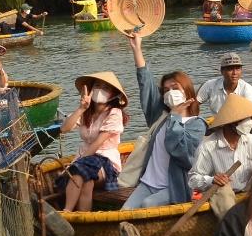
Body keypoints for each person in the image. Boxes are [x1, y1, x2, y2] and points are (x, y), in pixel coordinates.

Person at [119, 34, 207, 210]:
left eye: (175, 88)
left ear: (187, 91)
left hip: (173, 187)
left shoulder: (197, 124)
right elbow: (146, 85)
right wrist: (137, 49)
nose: (170, 92)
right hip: (147, 183)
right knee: (124, 214)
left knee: (148, 205)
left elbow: (181, 153)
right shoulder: (160, 117)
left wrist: (176, 116)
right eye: (166, 90)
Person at [57, 72, 128, 212]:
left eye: (105, 88)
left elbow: (97, 143)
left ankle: (66, 211)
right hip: (85, 159)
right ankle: (82, 216)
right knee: (87, 180)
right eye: (97, 86)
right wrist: (81, 108)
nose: (100, 90)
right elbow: (64, 129)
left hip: (106, 162)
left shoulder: (114, 113)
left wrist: (74, 164)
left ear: (113, 94)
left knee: (80, 169)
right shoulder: (86, 112)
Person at [190, 93, 252, 197]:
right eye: (244, 119)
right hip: (221, 197)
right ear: (230, 123)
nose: (249, 122)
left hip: (249, 195)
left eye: (251, 118)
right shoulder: (208, 146)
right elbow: (193, 180)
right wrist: (212, 180)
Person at [198, 51, 252, 115]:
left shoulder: (248, 89)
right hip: (219, 123)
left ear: (241, 70)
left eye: (238, 69)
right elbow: (195, 102)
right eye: (230, 69)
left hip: (244, 122)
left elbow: (251, 115)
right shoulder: (210, 85)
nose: (234, 73)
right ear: (222, 71)